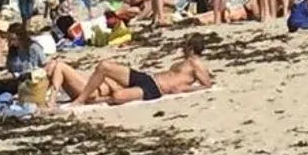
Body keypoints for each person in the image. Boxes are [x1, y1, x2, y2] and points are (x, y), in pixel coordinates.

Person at [49, 34, 214, 106]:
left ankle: (85, 99)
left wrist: (185, 89)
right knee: (104, 66)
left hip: (155, 89)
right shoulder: (184, 62)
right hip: (148, 78)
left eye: (185, 45)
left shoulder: (196, 64)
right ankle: (81, 99)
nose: (182, 48)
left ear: (191, 48)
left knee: (117, 96)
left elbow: (207, 85)